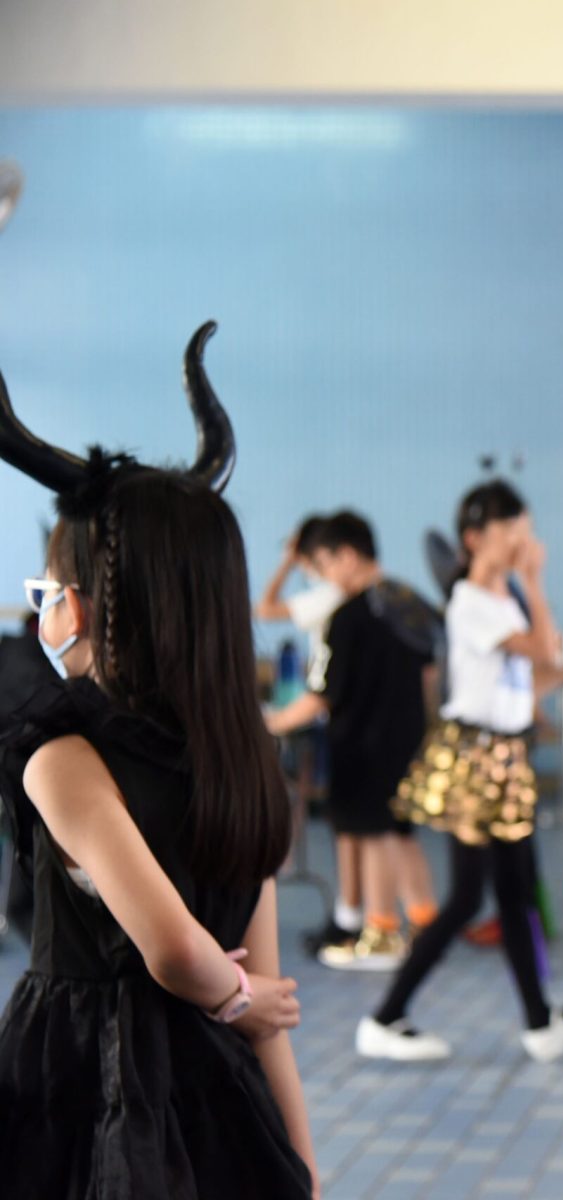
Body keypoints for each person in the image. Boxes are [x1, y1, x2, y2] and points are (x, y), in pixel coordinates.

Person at [0, 324, 317, 1196]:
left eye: (47, 591)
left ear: (85, 608)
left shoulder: (62, 759)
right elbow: (266, 1003)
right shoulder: (247, 764)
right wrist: (302, 1160)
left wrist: (237, 997)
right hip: (218, 1097)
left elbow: (176, 950)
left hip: (80, 1094)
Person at [356, 480, 563, 1063]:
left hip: (503, 756)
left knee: (514, 891)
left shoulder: (499, 601)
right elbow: (542, 650)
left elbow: (529, 677)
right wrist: (536, 582)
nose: (522, 539)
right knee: (471, 896)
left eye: (524, 526)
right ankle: (386, 1016)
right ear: (474, 538)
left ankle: (539, 1022)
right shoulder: (472, 600)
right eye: (509, 528)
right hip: (476, 760)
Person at [267, 510, 442, 970]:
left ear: (347, 556)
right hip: (407, 737)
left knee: (375, 833)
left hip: (363, 745)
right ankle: (425, 924)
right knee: (398, 832)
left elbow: (323, 692)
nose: (325, 577)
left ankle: (381, 933)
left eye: (325, 565)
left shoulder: (348, 616)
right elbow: (430, 672)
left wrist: (274, 722)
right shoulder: (408, 602)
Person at [256, 514, 361, 952]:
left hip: (332, 716)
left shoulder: (330, 596)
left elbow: (265, 609)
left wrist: (288, 561)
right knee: (350, 826)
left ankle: (352, 917)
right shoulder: (343, 598)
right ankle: (351, 915)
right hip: (335, 715)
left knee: (349, 824)